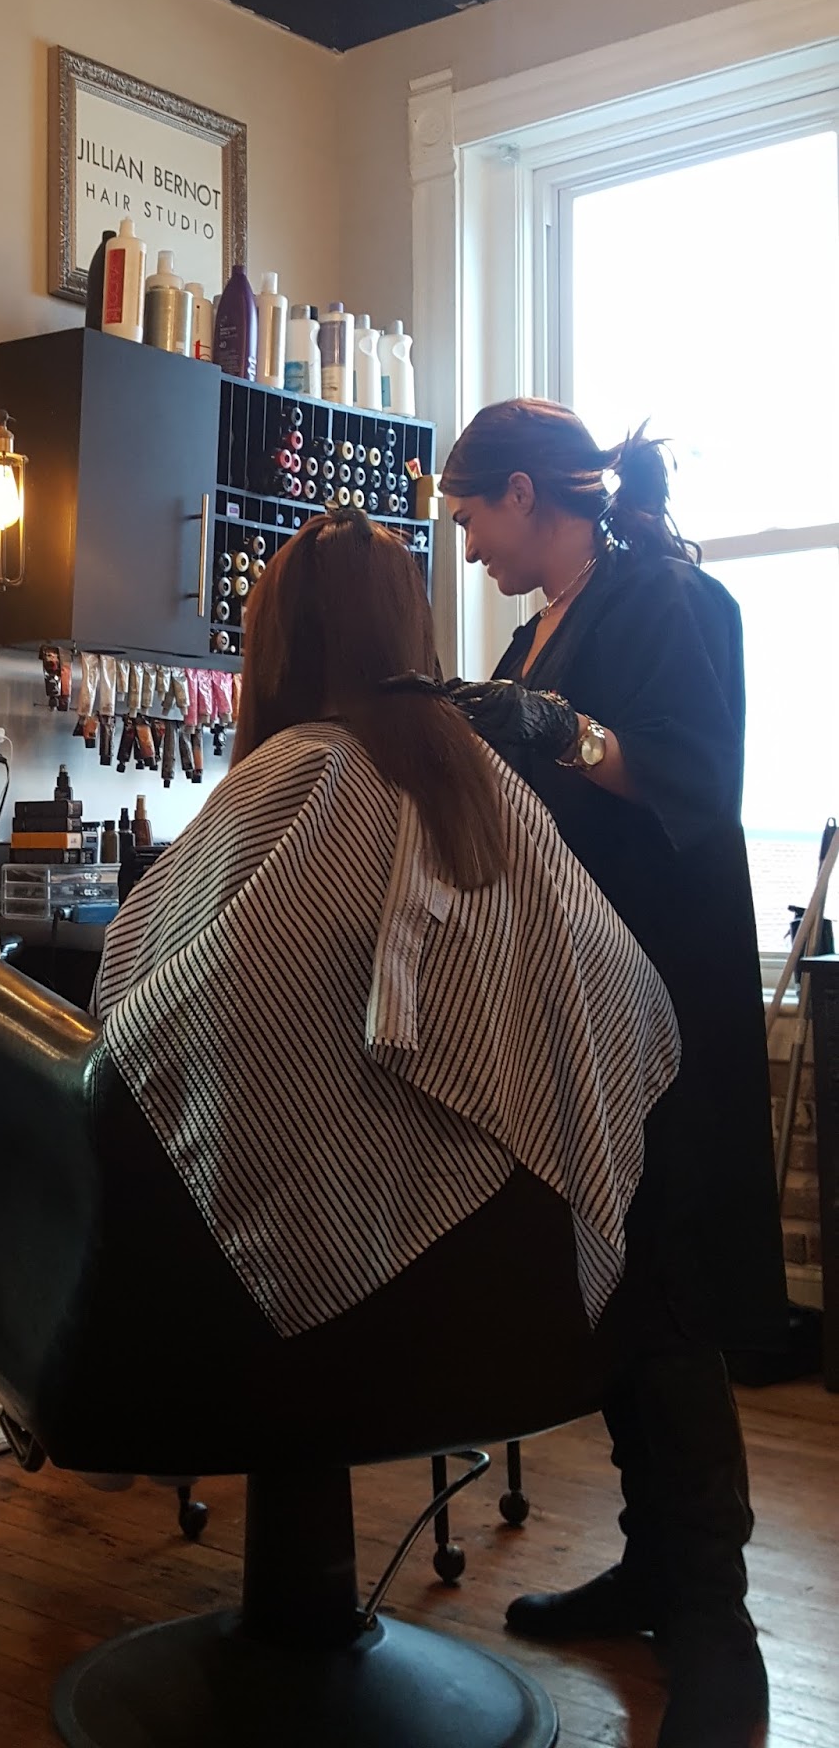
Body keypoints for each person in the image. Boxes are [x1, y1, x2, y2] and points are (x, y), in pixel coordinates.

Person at [94, 507, 679, 1405]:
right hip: (503, 1280)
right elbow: (630, 1002)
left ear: (280, 645)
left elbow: (135, 1004)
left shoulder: (296, 771)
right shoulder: (480, 780)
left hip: (314, 1285)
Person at [441, 400, 787, 1748]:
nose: (469, 544)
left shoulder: (666, 601)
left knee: (673, 1280)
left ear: (529, 493)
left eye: (474, 514)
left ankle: (716, 1619)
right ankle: (652, 1564)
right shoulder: (541, 627)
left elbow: (693, 775)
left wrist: (560, 729)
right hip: (581, 998)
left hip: (666, 1001)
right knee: (623, 1280)